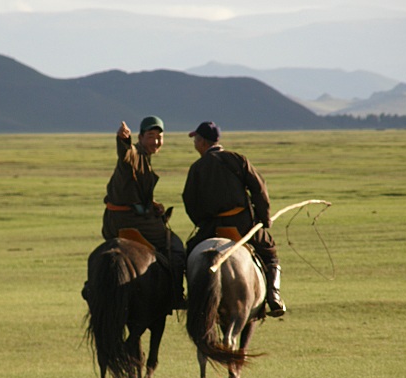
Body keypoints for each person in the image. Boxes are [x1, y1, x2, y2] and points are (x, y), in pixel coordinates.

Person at [182, 121, 286, 317]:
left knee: (189, 254)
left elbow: (189, 200)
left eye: (196, 140)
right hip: (242, 225)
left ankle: (186, 294)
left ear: (203, 142)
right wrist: (264, 220)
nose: (195, 143)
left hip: (211, 227)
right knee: (269, 252)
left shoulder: (197, 167)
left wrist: (201, 223)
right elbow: (259, 188)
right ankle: (273, 295)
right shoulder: (237, 159)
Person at [101, 115, 186, 311]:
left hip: (112, 221)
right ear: (140, 137)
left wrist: (151, 204)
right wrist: (123, 140)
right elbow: (125, 155)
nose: (156, 141)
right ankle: (176, 295)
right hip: (131, 220)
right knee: (175, 247)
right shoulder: (135, 153)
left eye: (159, 137)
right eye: (151, 136)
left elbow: (132, 189)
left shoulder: (145, 158)